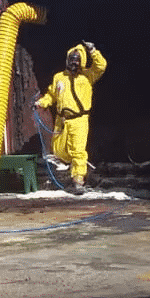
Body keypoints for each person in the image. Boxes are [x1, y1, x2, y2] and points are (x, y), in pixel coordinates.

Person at [35, 42, 107, 194]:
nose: (74, 62)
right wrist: (42, 103)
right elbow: (52, 95)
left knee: (78, 151)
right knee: (59, 151)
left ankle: (78, 180)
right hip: (61, 120)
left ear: (82, 61)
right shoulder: (59, 77)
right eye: (72, 59)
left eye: (77, 59)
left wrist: (93, 50)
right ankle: (78, 170)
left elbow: (101, 65)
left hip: (79, 120)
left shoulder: (88, 76)